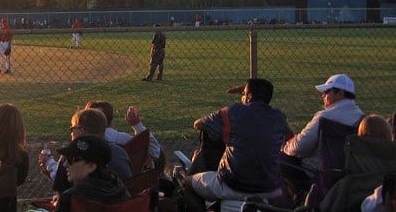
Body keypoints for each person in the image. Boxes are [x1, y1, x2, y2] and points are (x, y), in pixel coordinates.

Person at [182, 78, 293, 210]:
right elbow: (289, 137)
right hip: (270, 187)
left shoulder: (234, 112)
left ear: (249, 96)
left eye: (245, 94)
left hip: (233, 185)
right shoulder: (279, 118)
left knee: (186, 184)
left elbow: (198, 124)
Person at [280, 74, 365, 202]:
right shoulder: (362, 119)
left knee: (279, 159)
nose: (323, 96)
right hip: (350, 175)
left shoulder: (324, 117)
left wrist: (285, 147)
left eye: (327, 92)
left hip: (320, 175)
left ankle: (301, 196)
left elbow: (299, 148)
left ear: (340, 93)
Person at [51, 108, 132, 197]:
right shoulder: (120, 152)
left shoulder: (71, 156)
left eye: (73, 128)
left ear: (81, 131)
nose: (71, 133)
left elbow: (61, 194)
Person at [54, 134, 131, 212]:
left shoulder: (72, 198)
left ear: (91, 166)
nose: (65, 164)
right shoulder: (120, 190)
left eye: (69, 160)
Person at [84, 100, 161, 161]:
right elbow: (154, 152)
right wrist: (137, 125)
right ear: (112, 120)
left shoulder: (80, 141)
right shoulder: (122, 139)